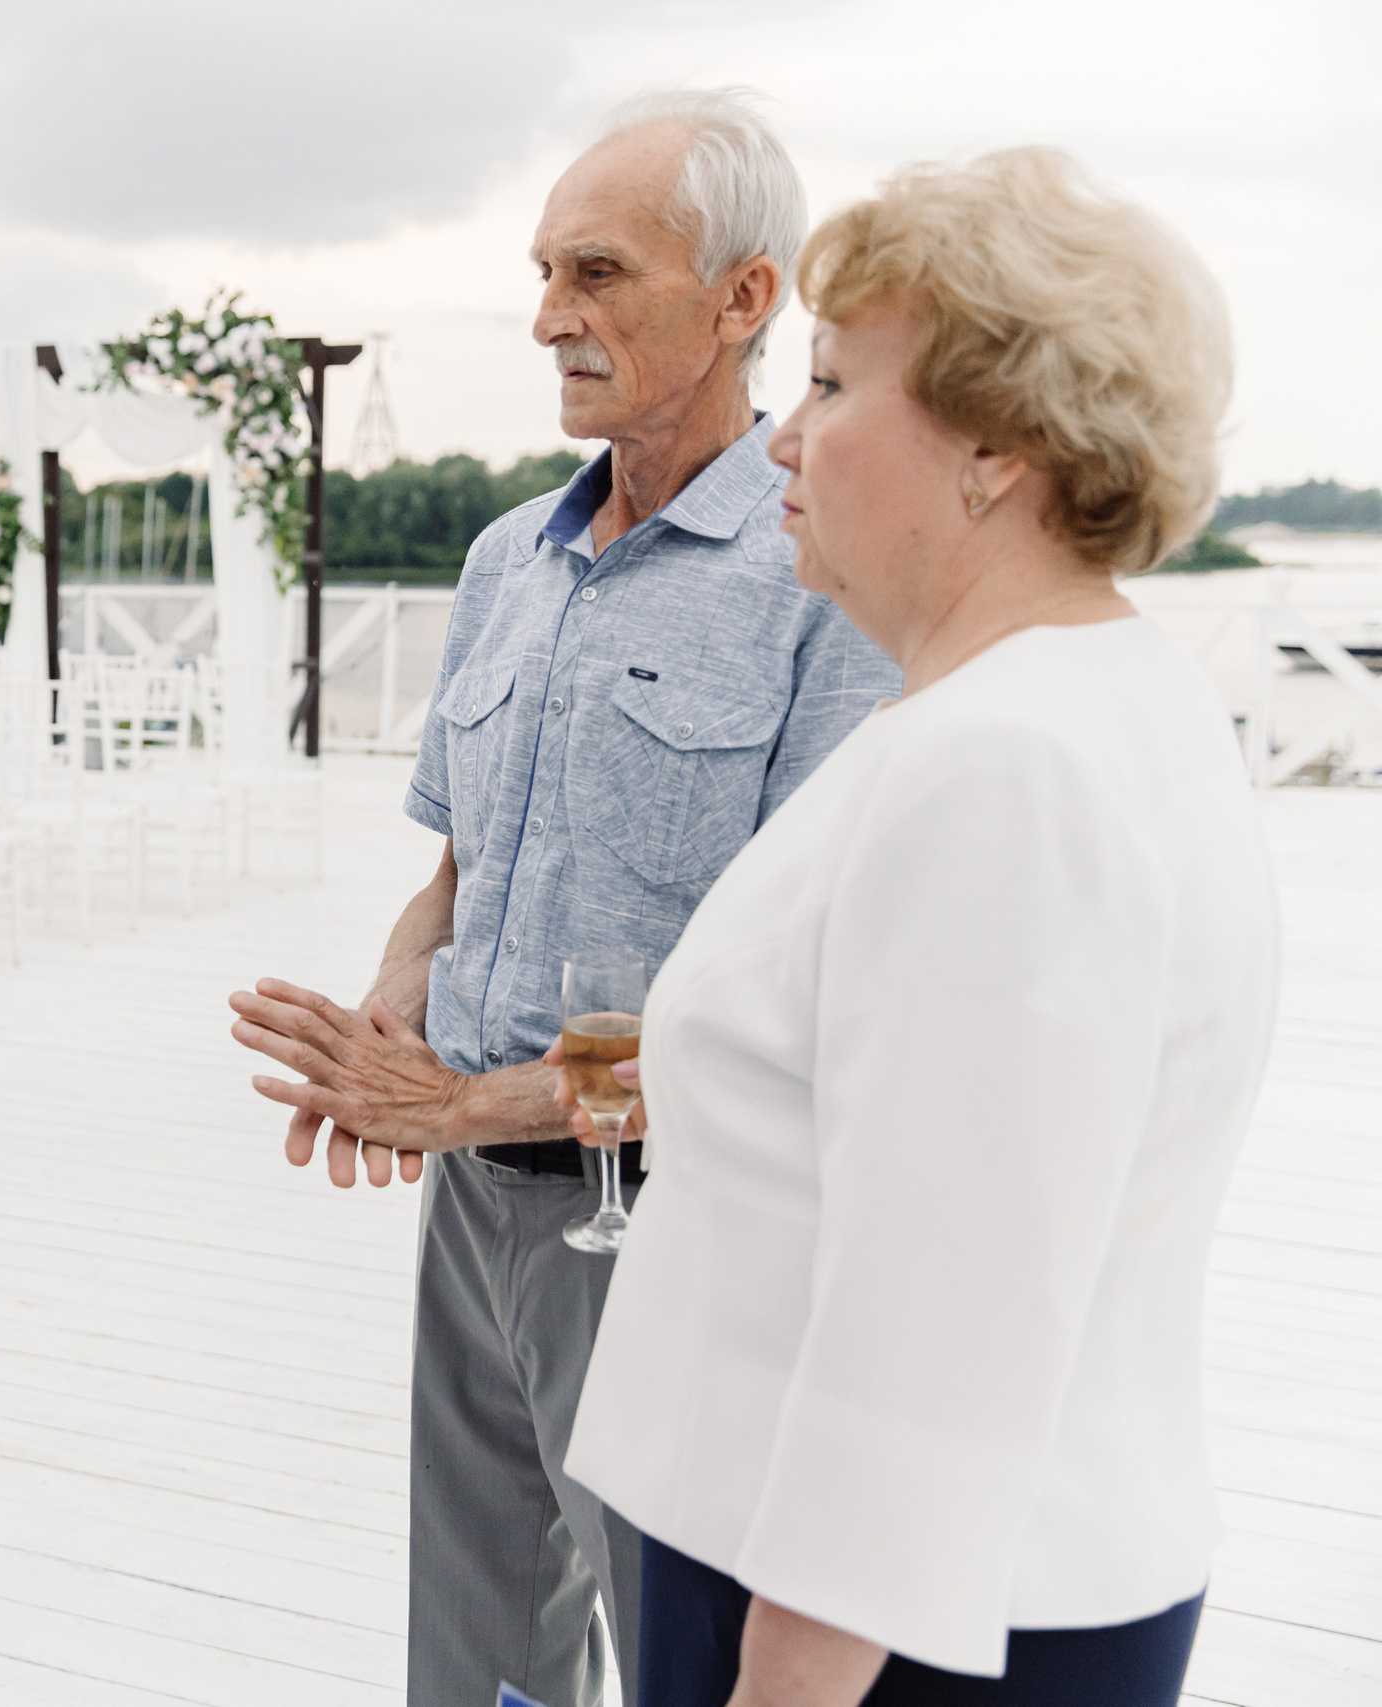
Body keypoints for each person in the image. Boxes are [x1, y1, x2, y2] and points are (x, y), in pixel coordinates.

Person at [561, 150, 1278, 1707]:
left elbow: (932, 1327)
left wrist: (791, 1680)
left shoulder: (1002, 763)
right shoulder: (1092, 693)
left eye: (826, 381)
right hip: (933, 1580)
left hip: (886, 1624)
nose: (788, 437)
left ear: (995, 448)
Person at [226, 91, 899, 1707]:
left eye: (596, 271)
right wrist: (381, 1032)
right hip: (471, 1222)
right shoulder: (500, 563)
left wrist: (449, 1100)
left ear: (748, 297)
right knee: (466, 1671)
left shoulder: (822, 590)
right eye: (543, 272)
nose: (549, 317)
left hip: (674, 1233)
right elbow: (450, 876)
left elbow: (791, 1010)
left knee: (679, 1670)